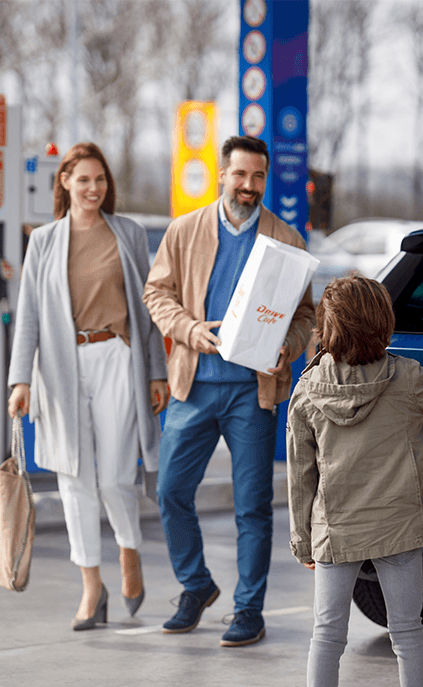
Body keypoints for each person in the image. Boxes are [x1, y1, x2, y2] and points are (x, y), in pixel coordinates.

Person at [287, 274, 423, 687]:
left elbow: (301, 475)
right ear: (382, 322)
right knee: (408, 633)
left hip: (336, 530)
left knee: (327, 634)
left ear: (328, 326)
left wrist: (302, 539)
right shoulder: (405, 378)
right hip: (400, 526)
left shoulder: (306, 390)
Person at [143, 135, 315, 648]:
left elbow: (305, 315)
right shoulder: (185, 230)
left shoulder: (287, 240)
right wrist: (189, 329)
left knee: (253, 507)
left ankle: (248, 610)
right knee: (170, 492)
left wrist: (289, 344)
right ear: (222, 175)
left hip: (252, 394)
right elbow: (157, 292)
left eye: (258, 177)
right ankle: (196, 586)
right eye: (240, 175)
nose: (249, 186)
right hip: (192, 386)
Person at [7, 142, 169, 631]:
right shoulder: (44, 241)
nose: (93, 189)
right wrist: (19, 380)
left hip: (117, 356)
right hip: (59, 367)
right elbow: (29, 316)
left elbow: (150, 310)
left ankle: (128, 552)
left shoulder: (130, 234)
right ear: (65, 182)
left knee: (116, 476)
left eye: (100, 180)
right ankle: (91, 587)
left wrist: (156, 369)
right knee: (73, 479)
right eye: (83, 180)